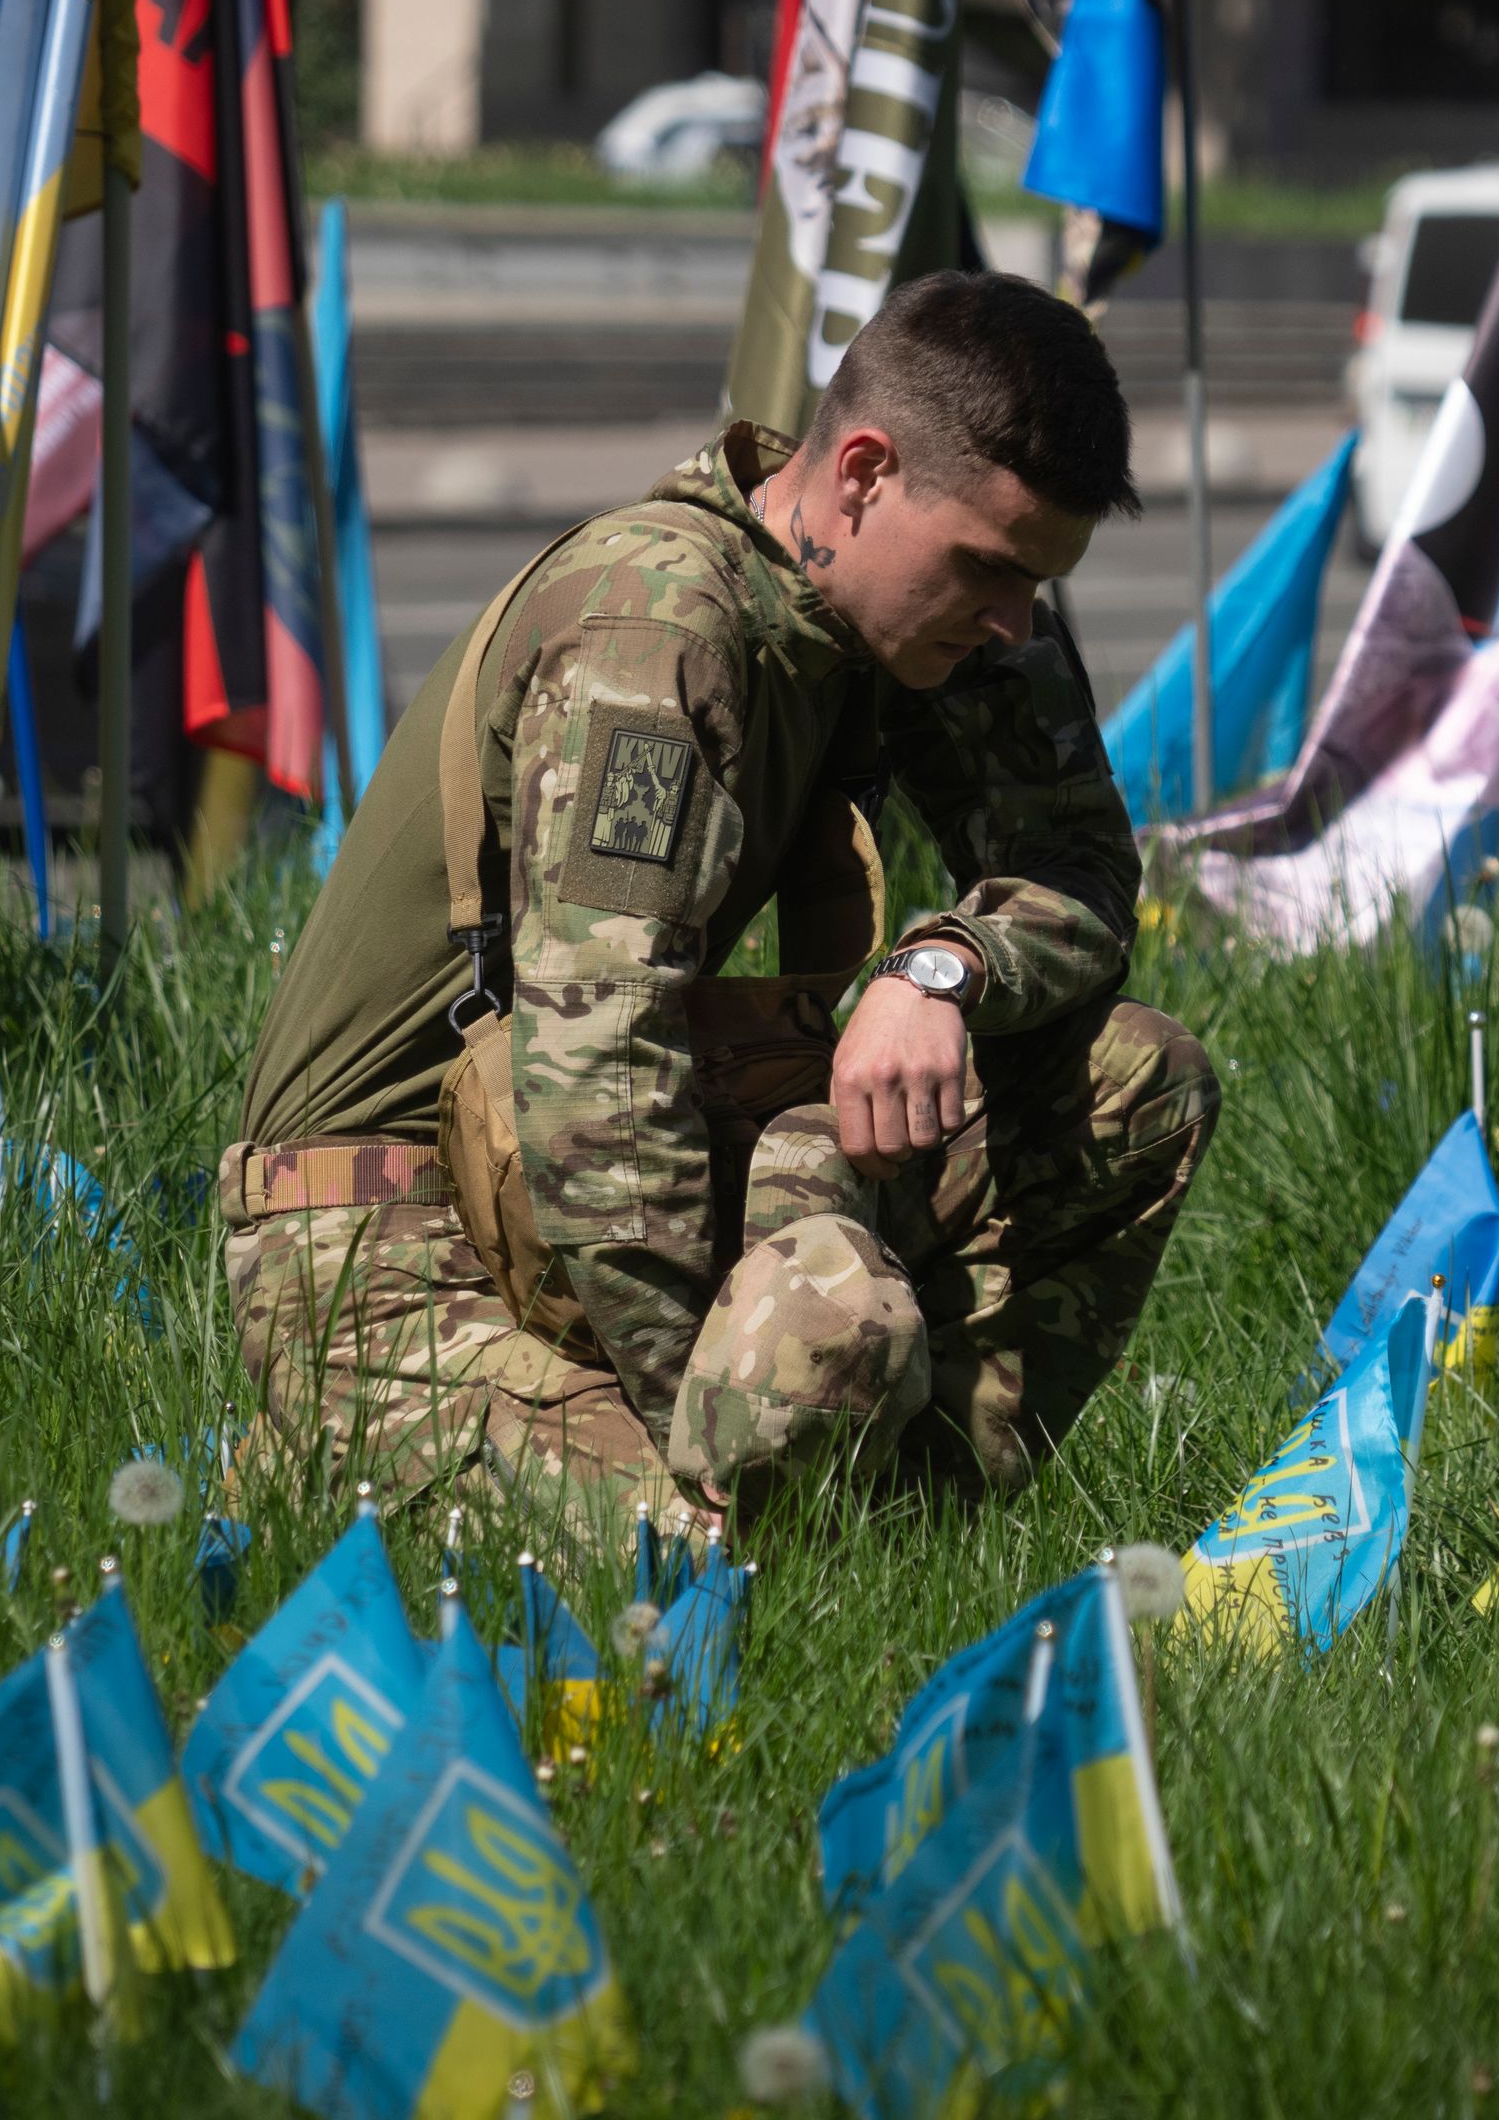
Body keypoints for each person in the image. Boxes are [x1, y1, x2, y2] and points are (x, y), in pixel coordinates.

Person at [221, 270, 1214, 1535]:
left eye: (1039, 584)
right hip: (385, 1233)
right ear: (860, 473)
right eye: (989, 568)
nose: (1017, 621)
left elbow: (1082, 874)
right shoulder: (658, 627)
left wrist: (942, 971)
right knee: (712, 1552)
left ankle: (919, 1524)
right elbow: (600, 1082)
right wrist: (721, 1416)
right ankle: (332, 1443)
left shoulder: (929, 612)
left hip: (604, 1165)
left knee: (1139, 1084)